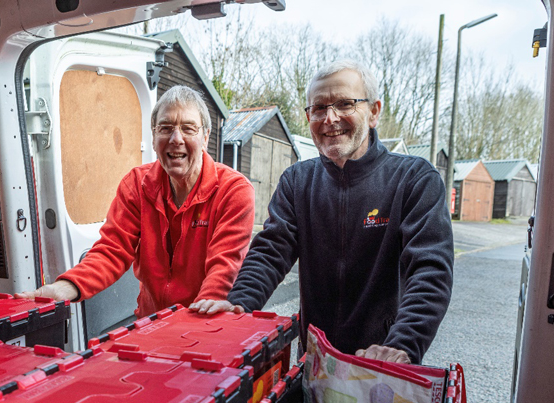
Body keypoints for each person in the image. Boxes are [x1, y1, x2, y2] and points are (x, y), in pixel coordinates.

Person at [191, 60, 453, 364]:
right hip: (315, 363)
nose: (330, 118)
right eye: (318, 108)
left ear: (374, 112)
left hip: (383, 364)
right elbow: (270, 252)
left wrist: (404, 343)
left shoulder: (414, 179)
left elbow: (430, 269)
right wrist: (238, 304)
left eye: (345, 104)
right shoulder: (297, 181)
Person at [16, 85, 254, 318]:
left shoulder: (234, 191)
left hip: (203, 322)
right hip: (151, 322)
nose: (176, 138)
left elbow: (224, 268)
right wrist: (62, 289)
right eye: (165, 127)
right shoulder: (137, 185)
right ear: (153, 137)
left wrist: (201, 314)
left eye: (188, 128)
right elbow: (111, 251)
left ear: (205, 138)